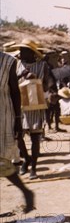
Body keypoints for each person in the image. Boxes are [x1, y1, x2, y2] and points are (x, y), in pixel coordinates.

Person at [14, 39, 55, 179]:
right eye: (20, 49)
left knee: (35, 138)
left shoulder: (42, 65)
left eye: (23, 50)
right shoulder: (17, 64)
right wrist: (22, 75)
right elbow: (12, 82)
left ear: (31, 53)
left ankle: (34, 168)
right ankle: (26, 158)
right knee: (18, 137)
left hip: (36, 105)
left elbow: (47, 85)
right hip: (20, 106)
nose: (20, 52)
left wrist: (35, 78)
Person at [0, 52, 35, 212]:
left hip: (3, 116)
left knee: (2, 160)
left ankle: (26, 192)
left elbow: (15, 92)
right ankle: (26, 192)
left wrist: (18, 120)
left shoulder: (8, 61)